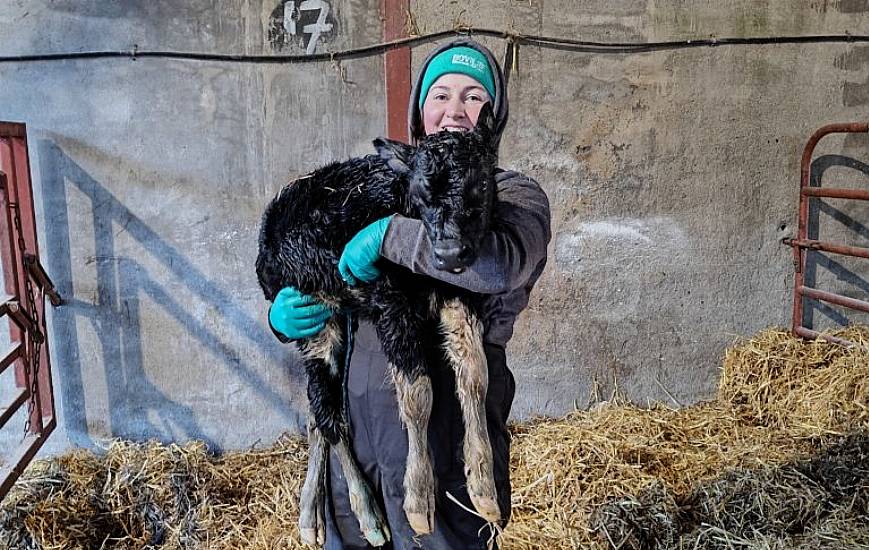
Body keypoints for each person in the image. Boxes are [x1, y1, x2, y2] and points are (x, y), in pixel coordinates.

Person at [268, 38, 551, 549]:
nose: (454, 110)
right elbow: (333, 271)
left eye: (473, 96)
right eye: (440, 95)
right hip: (358, 414)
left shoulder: (515, 193)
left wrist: (386, 236)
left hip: (446, 423)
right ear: (420, 111)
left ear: (494, 113)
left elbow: (496, 266)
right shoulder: (388, 185)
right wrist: (283, 311)